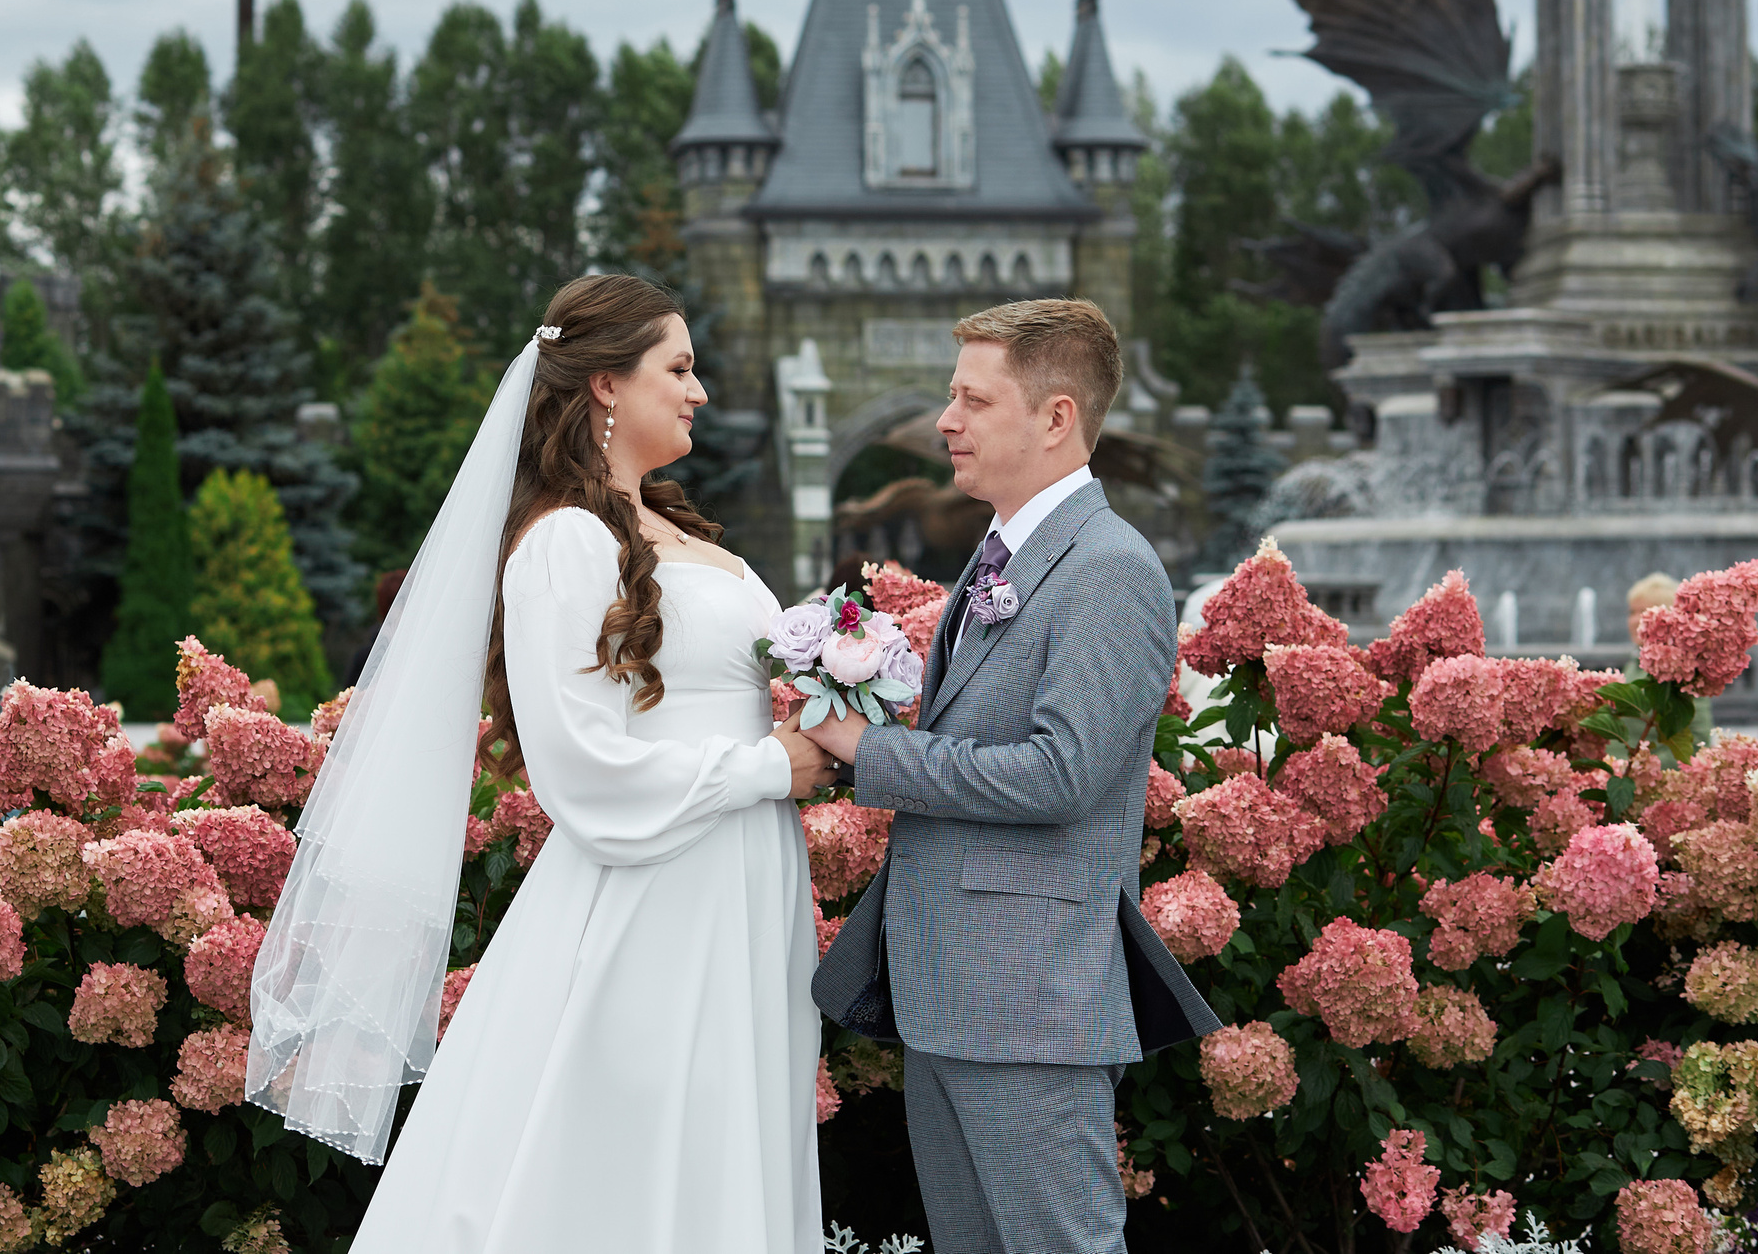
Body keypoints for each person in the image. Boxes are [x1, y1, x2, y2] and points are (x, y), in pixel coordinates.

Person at [248, 274, 833, 1252]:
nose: (699, 392)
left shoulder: (683, 535)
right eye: (678, 369)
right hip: (647, 906)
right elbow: (582, 771)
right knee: (618, 1170)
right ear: (604, 383)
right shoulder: (562, 542)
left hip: (743, 893)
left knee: (721, 1157)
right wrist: (771, 769)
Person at [806, 298, 1219, 1254]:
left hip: (1029, 1003)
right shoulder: (1003, 555)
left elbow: (1060, 774)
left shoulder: (1110, 568)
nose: (946, 419)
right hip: (952, 994)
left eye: (972, 399)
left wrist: (869, 751)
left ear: (1055, 416)